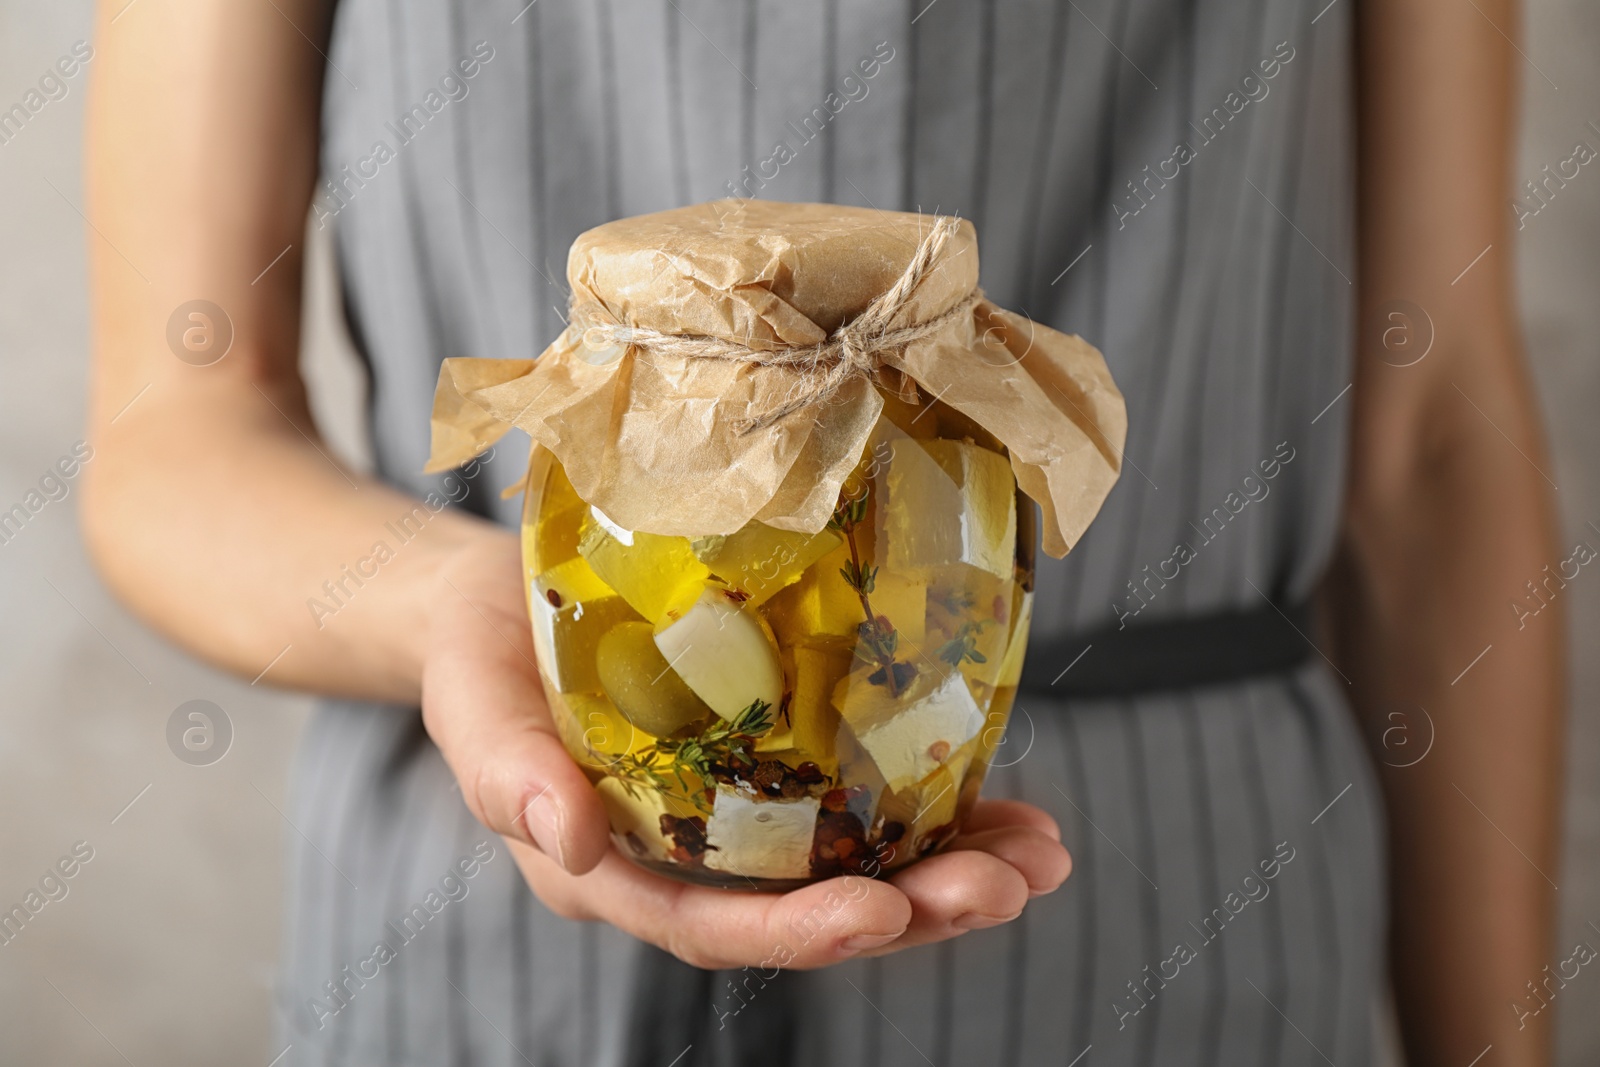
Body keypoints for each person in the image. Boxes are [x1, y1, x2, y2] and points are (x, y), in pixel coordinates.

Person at [82, 0, 1563, 1064]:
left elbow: (1433, 454)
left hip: (1179, 916)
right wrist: (455, 610)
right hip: (479, 931)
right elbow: (173, 429)